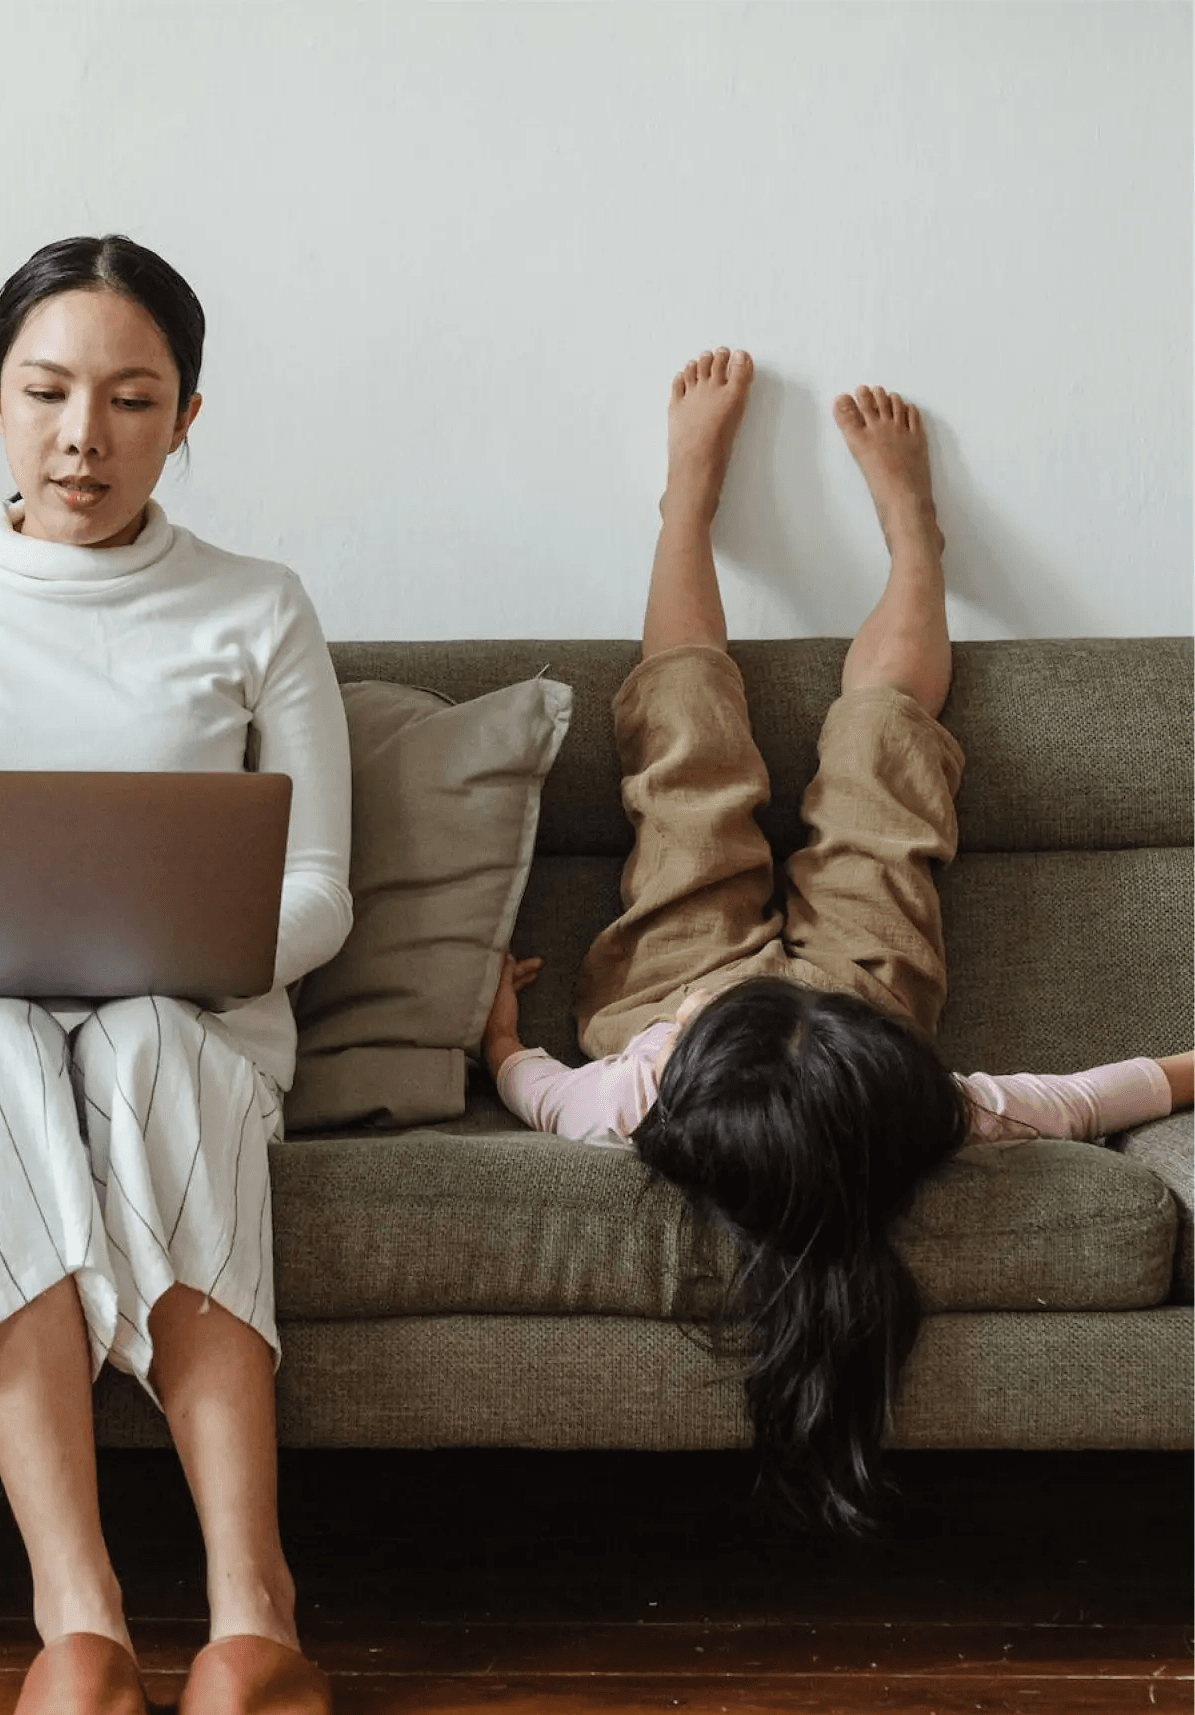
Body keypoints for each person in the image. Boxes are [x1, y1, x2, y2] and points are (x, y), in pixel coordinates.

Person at [0, 236, 353, 1715]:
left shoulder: (259, 607)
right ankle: (79, 1623)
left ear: (186, 417)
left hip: (192, 1007)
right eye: (45, 393)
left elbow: (318, 890)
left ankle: (254, 1611)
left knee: (152, 1048)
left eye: (130, 399)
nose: (81, 438)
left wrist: (185, 954)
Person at [483, 350, 1194, 1533]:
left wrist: (500, 1031)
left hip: (671, 996)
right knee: (885, 756)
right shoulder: (911, 1106)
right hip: (859, 1004)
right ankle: (917, 547)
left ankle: (685, 508)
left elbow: (540, 1094)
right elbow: (1078, 1098)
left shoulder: (640, 1093)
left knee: (684, 758)